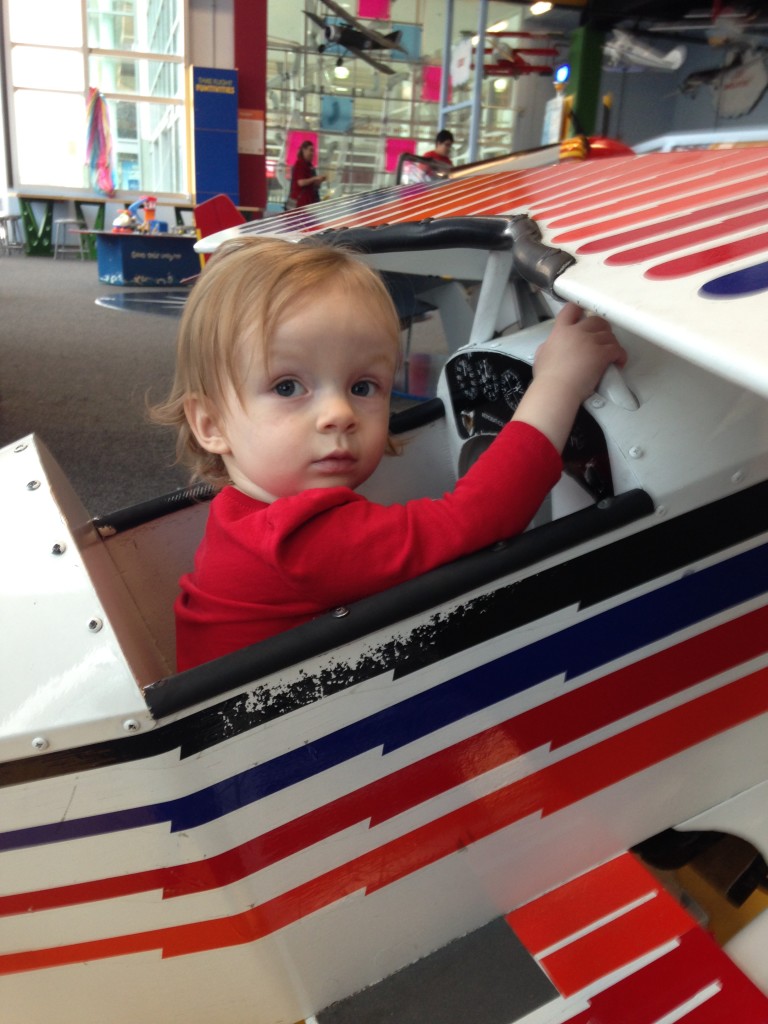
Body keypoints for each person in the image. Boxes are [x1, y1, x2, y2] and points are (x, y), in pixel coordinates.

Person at [153, 236, 626, 671]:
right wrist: (558, 382)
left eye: (363, 386)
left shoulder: (243, 513)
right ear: (210, 425)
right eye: (287, 386)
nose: (338, 413)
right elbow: (479, 519)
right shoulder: (292, 542)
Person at [288, 140, 326, 209]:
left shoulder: (309, 166)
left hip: (308, 202)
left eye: (313, 151)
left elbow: (312, 185)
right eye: (310, 150)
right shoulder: (300, 164)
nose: (312, 153)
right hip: (300, 203)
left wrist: (319, 181)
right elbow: (301, 182)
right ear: (304, 150)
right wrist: (315, 178)